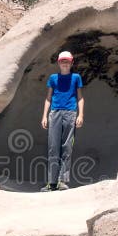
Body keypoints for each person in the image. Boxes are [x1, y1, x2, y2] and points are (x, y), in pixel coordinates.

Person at [40, 50, 84, 191]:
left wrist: (80, 115)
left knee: (67, 147)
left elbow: (80, 97)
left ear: (71, 63)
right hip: (55, 113)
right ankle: (52, 183)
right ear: (59, 63)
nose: (65, 63)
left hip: (70, 113)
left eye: (67, 61)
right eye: (62, 61)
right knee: (53, 147)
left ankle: (63, 181)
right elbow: (48, 98)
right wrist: (44, 116)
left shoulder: (76, 77)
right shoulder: (53, 78)